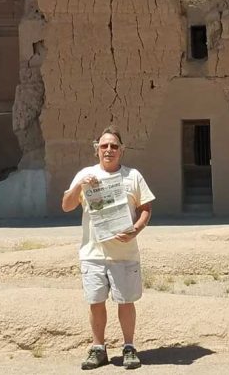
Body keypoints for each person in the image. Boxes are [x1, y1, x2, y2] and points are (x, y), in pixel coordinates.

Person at [62, 125, 154, 371]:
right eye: (104, 146)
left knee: (125, 302)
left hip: (124, 253)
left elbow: (146, 208)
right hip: (93, 254)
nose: (109, 150)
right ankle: (98, 348)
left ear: (121, 150)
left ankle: (129, 347)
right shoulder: (86, 175)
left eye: (114, 146)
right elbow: (67, 205)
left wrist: (136, 229)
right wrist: (80, 186)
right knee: (96, 302)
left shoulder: (132, 176)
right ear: (97, 150)